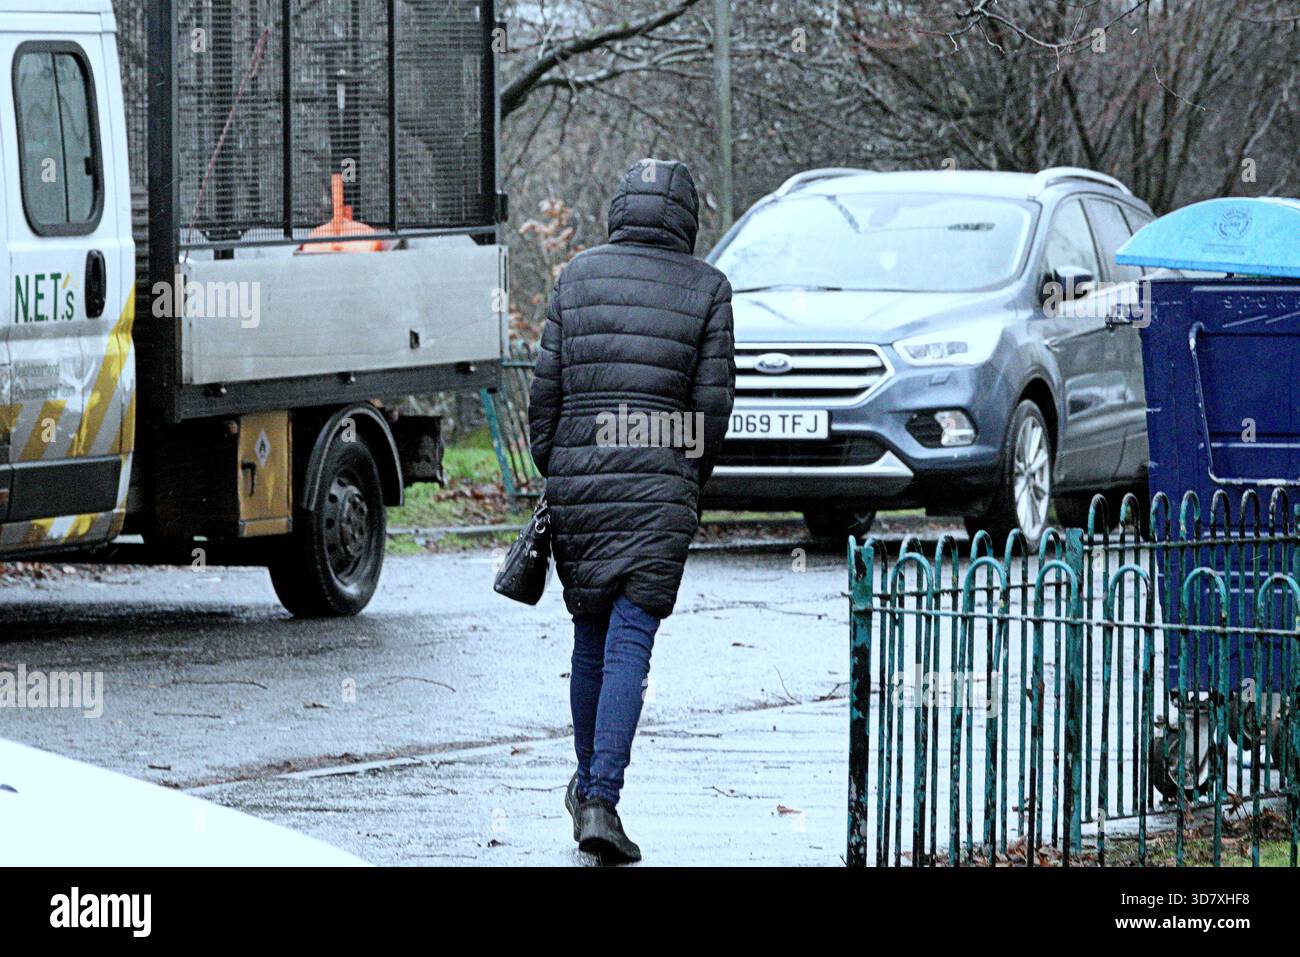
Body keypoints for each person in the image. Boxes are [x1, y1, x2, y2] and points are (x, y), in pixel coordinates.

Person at [527, 159, 735, 864]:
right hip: (659, 483)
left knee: (589, 639)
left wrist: (554, 468)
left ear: (620, 207)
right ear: (685, 216)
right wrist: (685, 475)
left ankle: (590, 790)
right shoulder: (708, 287)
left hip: (578, 477)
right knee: (629, 645)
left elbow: (544, 395)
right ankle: (601, 799)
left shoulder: (576, 275)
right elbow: (711, 408)